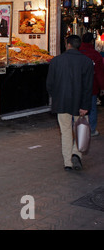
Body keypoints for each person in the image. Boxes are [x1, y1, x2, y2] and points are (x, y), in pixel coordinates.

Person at [46, 35, 94, 171]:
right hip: (80, 103)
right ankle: (76, 154)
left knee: (65, 132)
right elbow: (88, 86)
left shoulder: (56, 61)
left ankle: (68, 162)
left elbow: (49, 84)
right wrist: (85, 105)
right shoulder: (87, 62)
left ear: (67, 44)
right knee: (81, 130)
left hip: (61, 102)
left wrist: (56, 98)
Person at [79, 32, 104, 136]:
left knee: (77, 106)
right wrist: (102, 87)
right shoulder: (95, 55)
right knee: (92, 108)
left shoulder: (78, 52)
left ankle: (77, 128)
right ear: (92, 41)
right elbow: (99, 73)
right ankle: (92, 129)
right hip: (92, 86)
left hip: (78, 85)